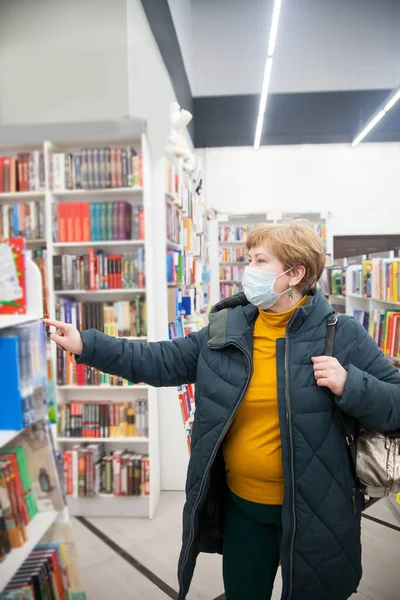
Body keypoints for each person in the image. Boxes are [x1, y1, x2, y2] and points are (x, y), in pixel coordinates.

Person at [44, 220, 400, 600]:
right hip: (242, 507)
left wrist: (351, 386)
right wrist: (87, 344)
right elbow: (158, 360)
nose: (249, 270)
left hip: (319, 514)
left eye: (261, 261)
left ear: (295, 273)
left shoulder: (342, 334)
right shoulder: (226, 328)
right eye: (248, 259)